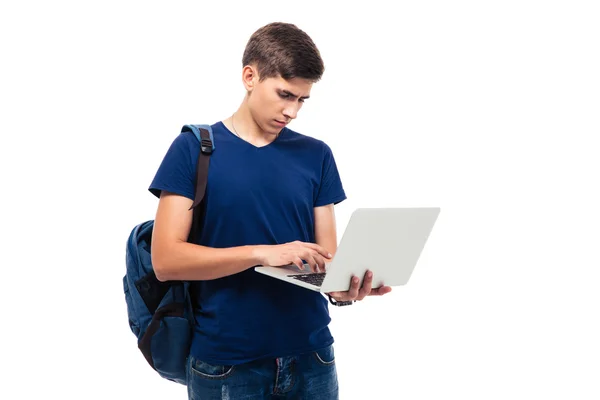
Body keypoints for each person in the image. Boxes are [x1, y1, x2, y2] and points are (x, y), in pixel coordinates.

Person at [148, 21, 392, 400]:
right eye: (284, 95)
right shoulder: (193, 149)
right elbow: (166, 260)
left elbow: (325, 258)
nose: (292, 111)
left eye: (301, 100)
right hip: (227, 364)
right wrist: (263, 253)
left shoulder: (317, 155)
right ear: (250, 76)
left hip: (313, 357)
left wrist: (345, 289)